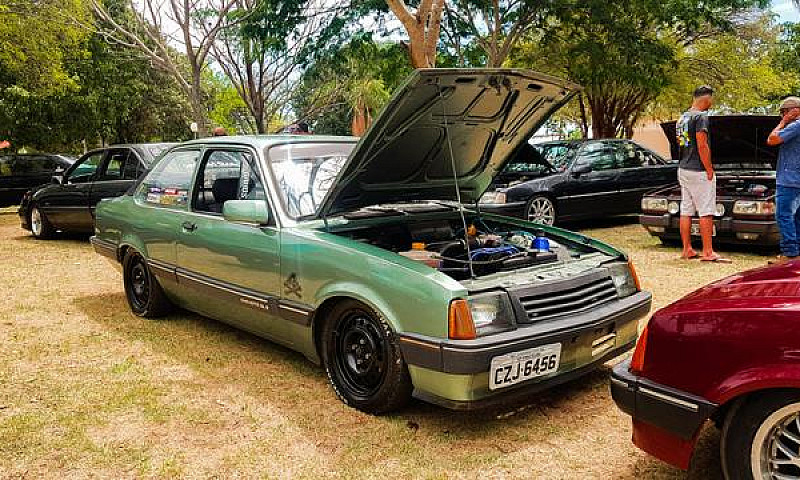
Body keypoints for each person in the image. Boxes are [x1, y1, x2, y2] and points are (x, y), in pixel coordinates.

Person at [676, 86, 731, 263]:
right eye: (711, 100)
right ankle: (708, 252)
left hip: (683, 167)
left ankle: (687, 249)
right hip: (698, 170)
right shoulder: (701, 117)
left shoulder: (682, 117)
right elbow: (702, 144)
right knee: (706, 211)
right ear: (706, 99)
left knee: (686, 209)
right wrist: (709, 169)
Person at [766, 96, 800, 264]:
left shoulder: (796, 125)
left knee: (784, 216)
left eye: (783, 113)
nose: (782, 116)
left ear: (793, 111)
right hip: (796, 179)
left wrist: (783, 123)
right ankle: (797, 253)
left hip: (790, 180)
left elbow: (772, 139)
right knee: (796, 218)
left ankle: (790, 253)